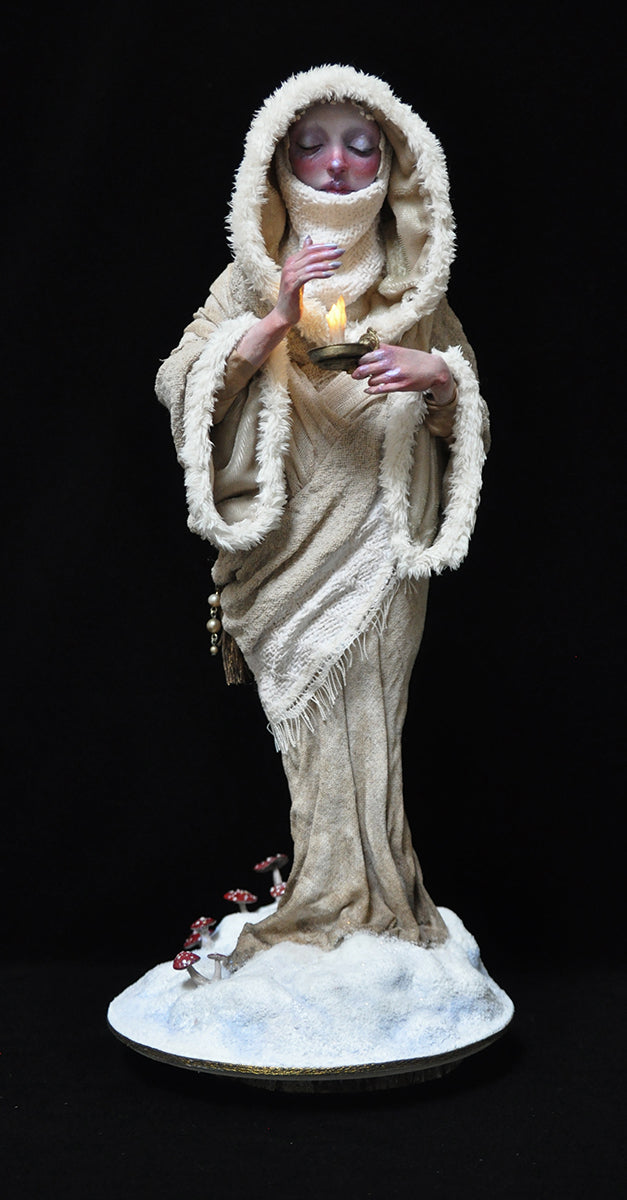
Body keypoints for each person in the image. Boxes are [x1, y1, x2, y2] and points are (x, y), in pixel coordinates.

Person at [156, 65, 490, 970]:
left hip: (377, 541)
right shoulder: (247, 276)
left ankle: (380, 909)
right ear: (276, 161)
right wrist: (270, 321)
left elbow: (467, 415)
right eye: (310, 144)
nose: (335, 163)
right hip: (284, 546)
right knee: (308, 734)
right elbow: (178, 383)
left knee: (374, 720)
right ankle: (322, 898)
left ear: (395, 163)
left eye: (360, 145)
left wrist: (438, 379)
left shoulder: (416, 289)